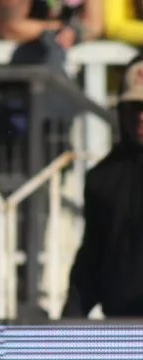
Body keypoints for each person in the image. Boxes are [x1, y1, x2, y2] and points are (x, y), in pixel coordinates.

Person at [62, 55, 143, 319]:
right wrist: (67, 328)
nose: (141, 116)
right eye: (133, 107)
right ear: (120, 112)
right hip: (121, 333)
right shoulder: (102, 178)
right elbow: (90, 262)